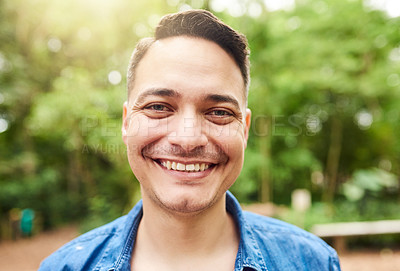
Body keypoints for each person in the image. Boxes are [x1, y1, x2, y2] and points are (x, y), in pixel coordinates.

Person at [39, 9, 341, 271]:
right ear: (127, 122)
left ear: (245, 129)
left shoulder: (313, 261)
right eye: (158, 107)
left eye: (219, 112)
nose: (188, 139)